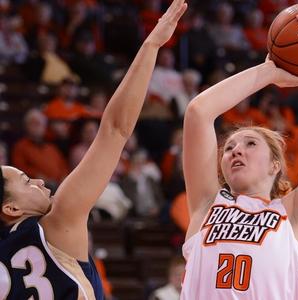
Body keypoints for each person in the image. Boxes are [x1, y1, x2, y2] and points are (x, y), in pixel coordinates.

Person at [0, 1, 187, 299]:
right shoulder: (58, 223)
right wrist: (152, 44)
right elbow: (115, 129)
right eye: (25, 181)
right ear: (11, 209)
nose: (37, 181)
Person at [181, 1, 298, 299]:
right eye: (229, 147)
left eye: (249, 144)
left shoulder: (295, 214)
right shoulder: (206, 205)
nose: (235, 151)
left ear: (275, 165)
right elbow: (198, 112)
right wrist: (270, 71)